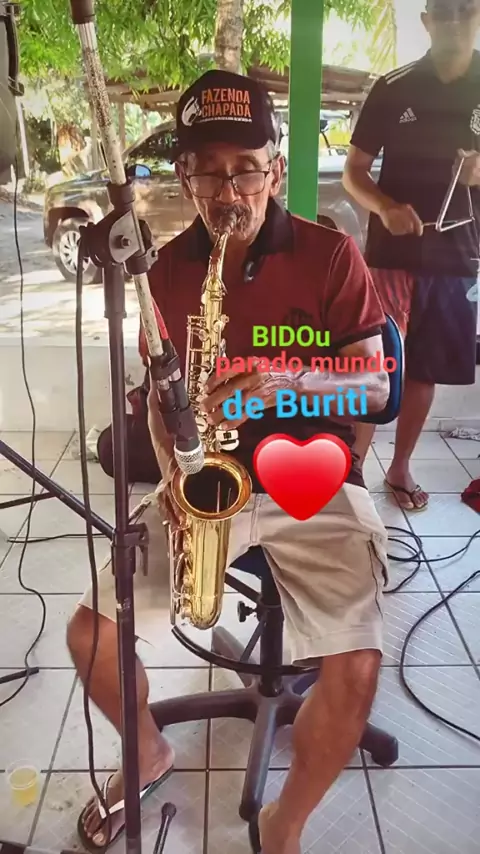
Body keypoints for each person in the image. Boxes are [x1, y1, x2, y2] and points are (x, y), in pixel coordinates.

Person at [67, 68, 391, 854]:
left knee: (355, 669)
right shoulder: (162, 273)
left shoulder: (331, 253)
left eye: (245, 167)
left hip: (314, 474)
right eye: (207, 171)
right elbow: (158, 401)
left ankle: (285, 823)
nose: (228, 190)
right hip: (205, 481)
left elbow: (377, 385)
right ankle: (149, 750)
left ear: (275, 169)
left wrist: (286, 378)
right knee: (90, 637)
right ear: (184, 178)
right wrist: (175, 478)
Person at [343, 0, 480, 512]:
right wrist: (384, 207)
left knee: (425, 367)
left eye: (464, 11)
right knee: (375, 363)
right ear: (427, 22)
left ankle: (399, 467)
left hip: (459, 256)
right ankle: (354, 469)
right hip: (393, 255)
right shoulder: (393, 87)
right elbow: (354, 172)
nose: (454, 22)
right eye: (443, 13)